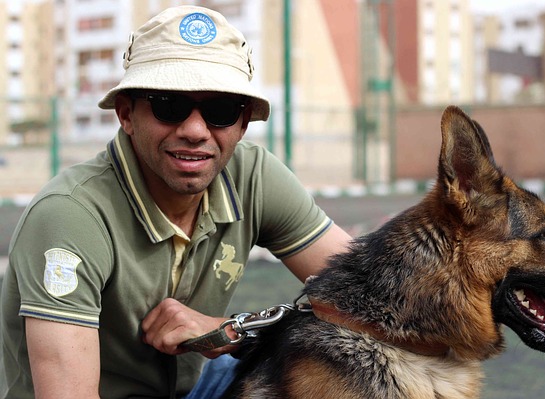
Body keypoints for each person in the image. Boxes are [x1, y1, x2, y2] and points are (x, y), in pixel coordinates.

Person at [0, 6, 351, 398]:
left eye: (220, 110)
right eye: (169, 104)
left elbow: (374, 297)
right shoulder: (71, 214)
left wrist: (231, 330)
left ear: (244, 123)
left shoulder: (253, 176)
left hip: (197, 385)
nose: (195, 130)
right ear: (126, 114)